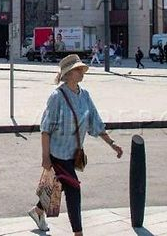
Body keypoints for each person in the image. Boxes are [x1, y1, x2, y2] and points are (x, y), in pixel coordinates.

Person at [27, 54, 123, 235]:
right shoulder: (57, 97)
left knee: (58, 185)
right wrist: (45, 157)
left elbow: (95, 121)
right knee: (73, 189)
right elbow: (46, 129)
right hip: (58, 154)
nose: (82, 72)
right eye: (78, 69)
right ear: (69, 73)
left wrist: (112, 143)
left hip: (74, 153)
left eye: (81, 69)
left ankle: (38, 211)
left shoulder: (85, 95)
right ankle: (78, 233)